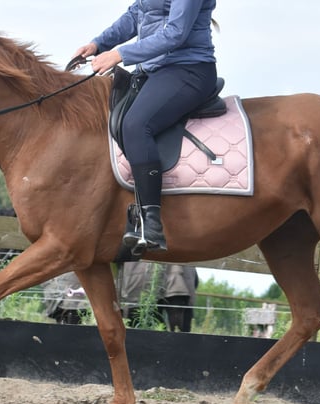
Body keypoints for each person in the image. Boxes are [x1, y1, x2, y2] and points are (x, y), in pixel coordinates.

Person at [73, 0, 218, 252]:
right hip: (154, 70)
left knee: (136, 125)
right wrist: (99, 44)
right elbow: (137, 13)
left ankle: (150, 222)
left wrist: (121, 54)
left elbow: (176, 33)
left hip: (188, 69)